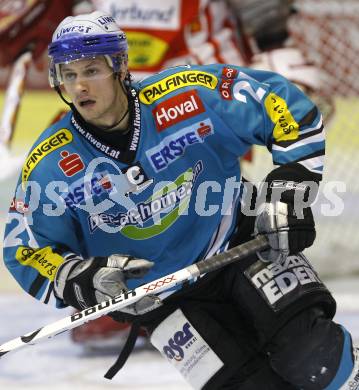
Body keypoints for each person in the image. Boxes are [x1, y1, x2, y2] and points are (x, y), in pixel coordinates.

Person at [2, 11, 358, 390]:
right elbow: (24, 247)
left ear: (120, 68)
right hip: (163, 300)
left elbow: (284, 107)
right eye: (68, 75)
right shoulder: (51, 163)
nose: (79, 87)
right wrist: (81, 279)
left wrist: (287, 195)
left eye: (91, 71)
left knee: (317, 359)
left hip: (242, 245)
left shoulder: (187, 94)